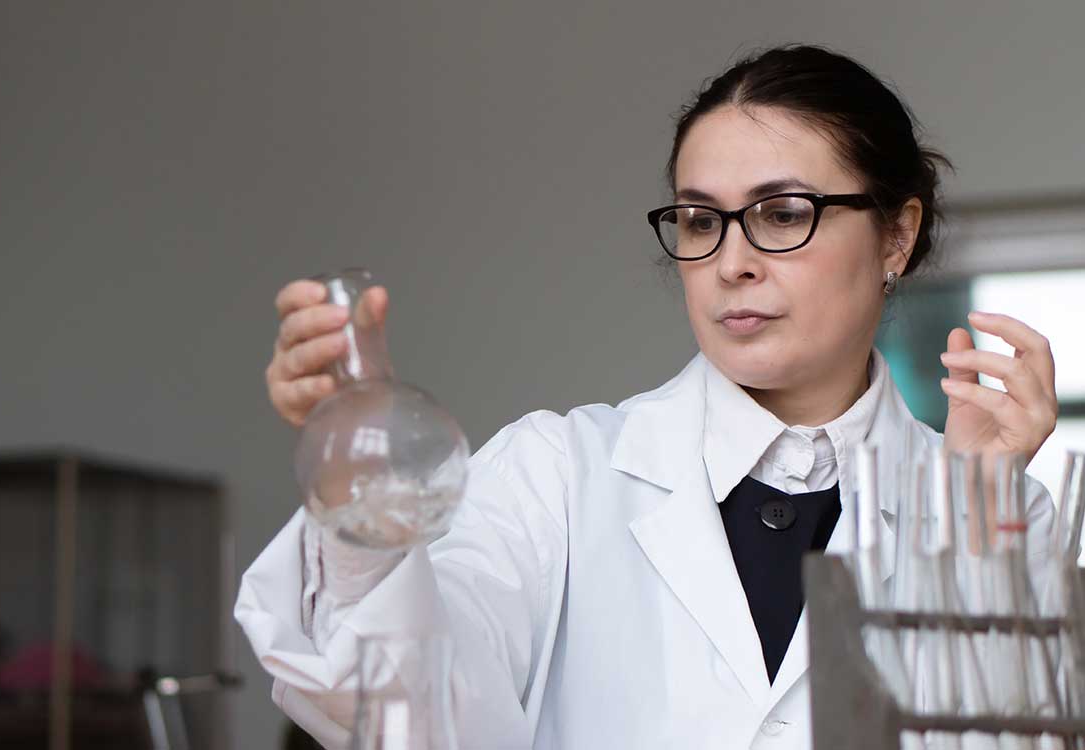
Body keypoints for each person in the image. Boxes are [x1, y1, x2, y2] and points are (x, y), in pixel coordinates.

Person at [236, 45, 1060, 749]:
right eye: (701, 221)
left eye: (781, 214)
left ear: (897, 234)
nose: (732, 261)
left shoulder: (1001, 505)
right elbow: (407, 714)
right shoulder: (555, 475)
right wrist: (358, 487)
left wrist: (968, 524)